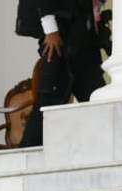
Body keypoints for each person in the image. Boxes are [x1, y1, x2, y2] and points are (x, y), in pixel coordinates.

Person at [16, 0, 107, 147]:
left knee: (97, 99)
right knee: (49, 100)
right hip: (61, 36)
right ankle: (25, 152)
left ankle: (106, 147)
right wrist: (51, 30)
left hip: (82, 38)